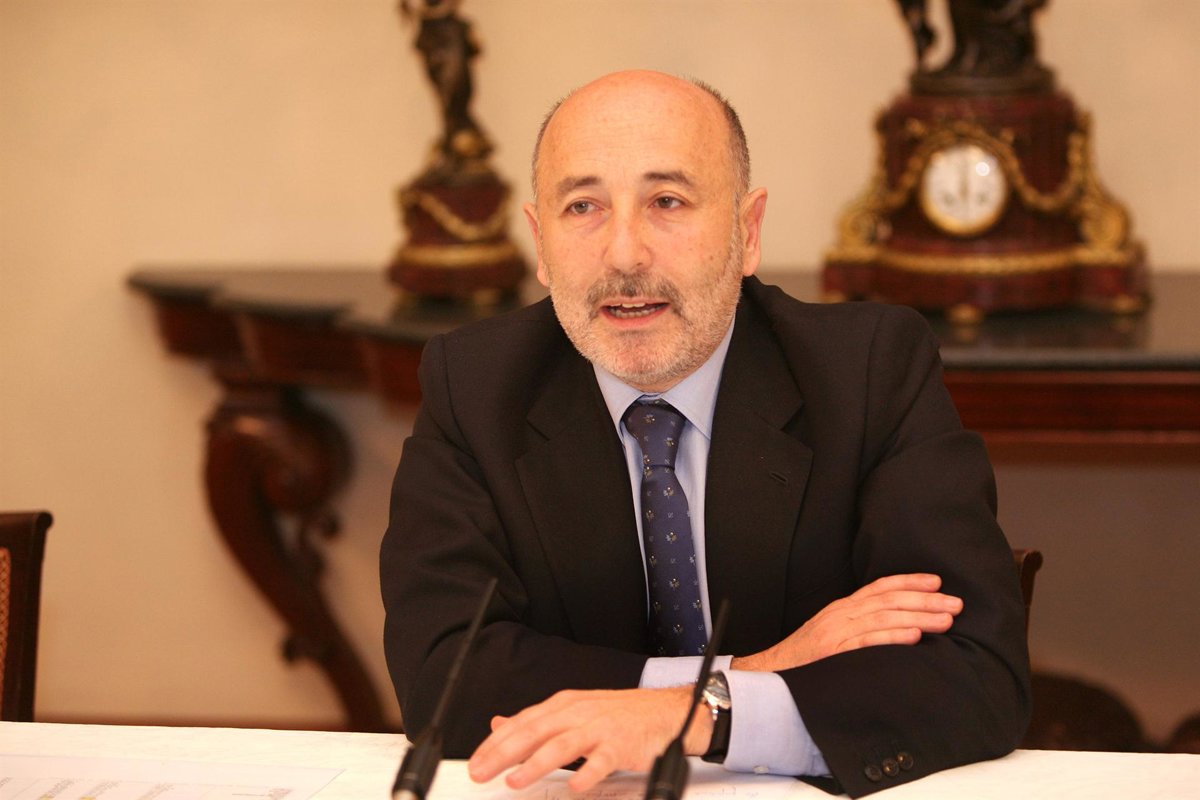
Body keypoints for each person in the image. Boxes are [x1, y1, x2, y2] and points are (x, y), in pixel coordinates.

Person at [380, 70, 1030, 797]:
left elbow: (972, 671)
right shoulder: (474, 385)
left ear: (747, 232)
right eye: (583, 206)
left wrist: (685, 717)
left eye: (667, 201)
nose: (624, 256)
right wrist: (742, 681)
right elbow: (444, 675)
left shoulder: (869, 370)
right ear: (540, 242)